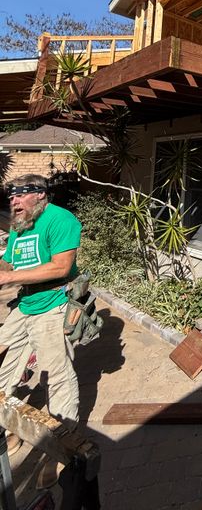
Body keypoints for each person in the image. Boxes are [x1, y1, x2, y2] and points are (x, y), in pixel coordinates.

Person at [0, 174, 81, 489]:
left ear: (40, 195)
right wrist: (4, 270)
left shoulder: (60, 220)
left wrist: (7, 280)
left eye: (20, 197)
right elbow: (10, 263)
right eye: (11, 197)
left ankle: (61, 455)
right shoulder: (21, 226)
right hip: (25, 304)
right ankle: (10, 432)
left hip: (54, 304)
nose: (14, 203)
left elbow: (61, 267)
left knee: (57, 376)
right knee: (5, 370)